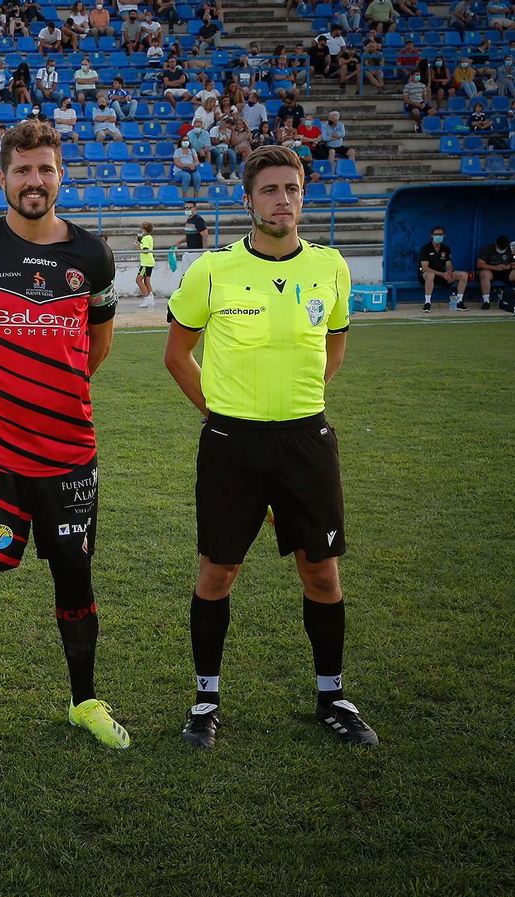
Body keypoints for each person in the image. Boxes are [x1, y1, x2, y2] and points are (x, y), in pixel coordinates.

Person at [0, 120, 123, 757]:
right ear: (1, 176)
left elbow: (98, 344)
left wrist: (53, 395)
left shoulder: (93, 256)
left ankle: (84, 699)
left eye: (45, 169)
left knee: (74, 573)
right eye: (22, 170)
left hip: (68, 457)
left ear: (61, 175)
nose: (35, 181)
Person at [163, 144, 375, 750]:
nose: (283, 201)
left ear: (303, 195)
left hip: (307, 441)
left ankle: (332, 697)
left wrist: (294, 405)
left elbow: (332, 349)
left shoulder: (330, 267)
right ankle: (205, 699)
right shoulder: (212, 271)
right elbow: (178, 357)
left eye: (293, 189)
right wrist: (225, 413)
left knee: (323, 573)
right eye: (270, 191)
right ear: (248, 199)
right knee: (217, 571)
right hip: (232, 444)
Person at [417, 225, 468, 313]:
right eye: (436, 234)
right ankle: (427, 303)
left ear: (444, 235)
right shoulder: (426, 248)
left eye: (440, 234)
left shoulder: (446, 248)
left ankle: (459, 301)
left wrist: (449, 272)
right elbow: (425, 267)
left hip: (442, 274)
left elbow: (448, 264)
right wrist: (442, 274)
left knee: (463, 275)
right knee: (430, 275)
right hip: (426, 274)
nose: (438, 236)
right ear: (432, 235)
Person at [475, 236, 515, 310]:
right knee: (484, 274)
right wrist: (496, 267)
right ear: (496, 245)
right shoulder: (487, 249)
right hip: (491, 270)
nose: (501, 250)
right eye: (500, 248)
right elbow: (480, 264)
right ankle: (486, 301)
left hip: (505, 271)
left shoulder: (510, 250)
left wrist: (509, 266)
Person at [136, 222, 156, 308]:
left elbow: (145, 250)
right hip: (149, 262)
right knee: (146, 281)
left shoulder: (146, 239)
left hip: (146, 263)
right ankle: (150, 297)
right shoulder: (149, 237)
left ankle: (147, 297)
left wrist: (138, 248)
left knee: (138, 280)